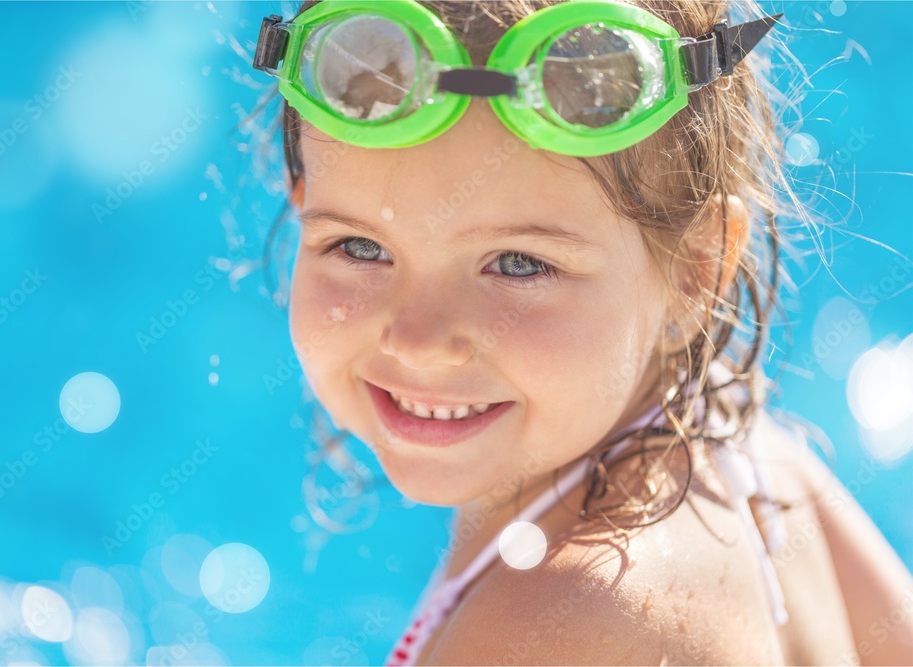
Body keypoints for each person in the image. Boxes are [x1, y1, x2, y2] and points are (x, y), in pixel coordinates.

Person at [250, 0, 913, 664]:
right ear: (300, 199)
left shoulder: (558, 624)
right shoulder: (747, 446)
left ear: (695, 273)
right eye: (361, 247)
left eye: (518, 264)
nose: (419, 340)